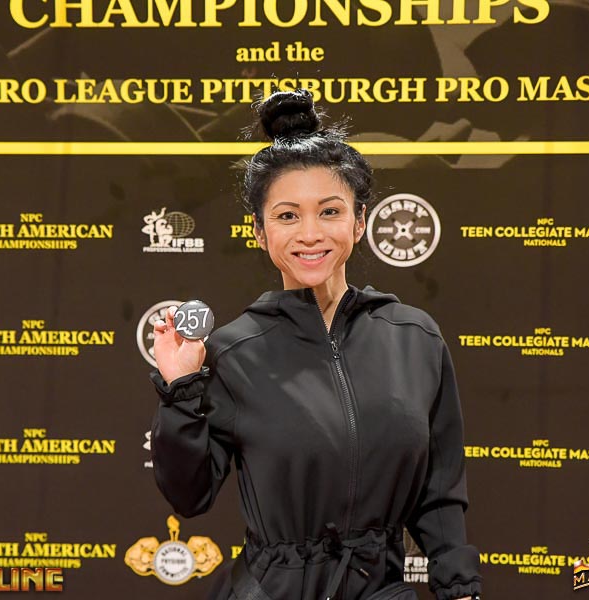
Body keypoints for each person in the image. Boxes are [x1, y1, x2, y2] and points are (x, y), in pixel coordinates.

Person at [149, 89, 481, 600]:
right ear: (259, 231)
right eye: (287, 216)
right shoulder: (234, 351)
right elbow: (189, 496)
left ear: (360, 221)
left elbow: (440, 494)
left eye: (329, 211)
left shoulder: (415, 338)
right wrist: (180, 391)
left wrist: (460, 589)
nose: (310, 234)